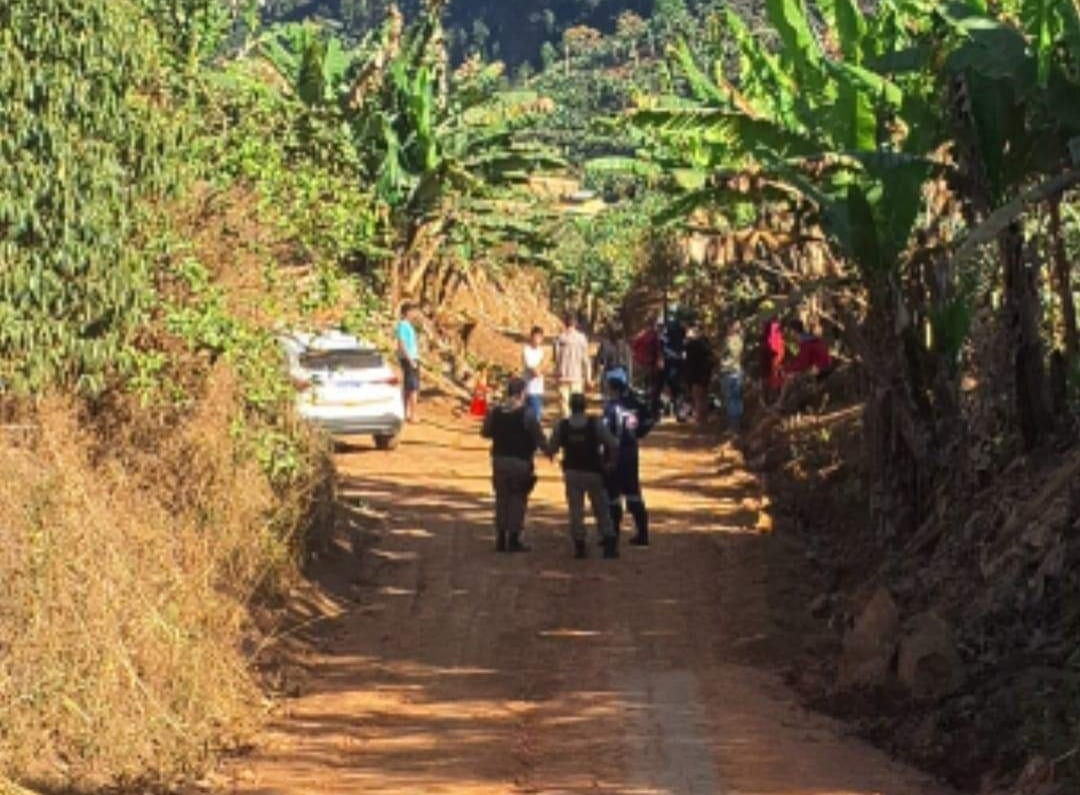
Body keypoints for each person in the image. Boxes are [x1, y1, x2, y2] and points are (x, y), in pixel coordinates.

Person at [481, 376, 551, 553]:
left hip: (499, 460)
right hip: (521, 461)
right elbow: (539, 437)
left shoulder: (495, 411)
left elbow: (485, 432)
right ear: (522, 393)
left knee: (501, 498)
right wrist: (549, 451)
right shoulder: (527, 414)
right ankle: (513, 538)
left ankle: (500, 537)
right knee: (517, 499)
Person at [549, 392, 620, 559]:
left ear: (570, 406)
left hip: (572, 473)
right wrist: (611, 463)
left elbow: (552, 448)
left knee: (576, 511)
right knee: (601, 508)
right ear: (585, 406)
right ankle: (609, 542)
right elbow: (613, 443)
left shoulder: (562, 425)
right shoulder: (595, 424)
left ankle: (580, 545)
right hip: (593, 472)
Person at [603, 368, 655, 547]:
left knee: (612, 494)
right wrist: (638, 433)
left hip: (614, 452)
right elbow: (650, 418)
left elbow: (605, 432)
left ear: (611, 386)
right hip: (631, 452)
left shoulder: (610, 407)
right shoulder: (635, 403)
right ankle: (643, 533)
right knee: (633, 492)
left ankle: (612, 534)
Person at [554, 314, 592, 419]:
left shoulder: (559, 338)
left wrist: (556, 374)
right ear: (575, 324)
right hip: (577, 377)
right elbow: (586, 360)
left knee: (564, 405)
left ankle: (566, 425)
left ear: (565, 323)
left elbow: (557, 359)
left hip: (563, 376)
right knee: (576, 404)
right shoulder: (582, 338)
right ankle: (576, 425)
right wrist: (588, 377)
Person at [683, 323, 715, 425]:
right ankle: (704, 419)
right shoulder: (707, 344)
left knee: (697, 397)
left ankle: (699, 420)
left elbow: (688, 361)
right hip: (706, 373)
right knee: (704, 396)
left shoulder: (693, 345)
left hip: (696, 375)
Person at [394, 302, 421, 423]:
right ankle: (413, 414)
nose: (414, 314)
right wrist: (410, 360)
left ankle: (405, 413)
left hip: (412, 358)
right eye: (413, 311)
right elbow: (402, 344)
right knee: (413, 388)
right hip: (409, 359)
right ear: (407, 312)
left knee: (408, 387)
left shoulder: (408, 325)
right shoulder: (403, 325)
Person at [659, 312, 687, 418]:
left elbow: (662, 343)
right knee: (673, 385)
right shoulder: (676, 329)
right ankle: (673, 409)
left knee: (674, 385)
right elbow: (662, 343)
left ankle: (678, 410)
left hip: (673, 361)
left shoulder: (677, 329)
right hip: (673, 360)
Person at [718, 319, 744, 432]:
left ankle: (732, 426)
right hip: (737, 371)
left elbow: (723, 354)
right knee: (737, 399)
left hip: (728, 371)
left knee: (730, 399)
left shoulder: (728, 341)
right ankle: (736, 425)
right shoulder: (740, 340)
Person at [630, 320, 661, 401]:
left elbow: (633, 347)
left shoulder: (641, 336)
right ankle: (647, 398)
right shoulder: (654, 336)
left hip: (642, 362)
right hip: (648, 363)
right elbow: (657, 350)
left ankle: (642, 398)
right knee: (649, 382)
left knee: (642, 382)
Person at [522, 326, 547, 419]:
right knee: (534, 416)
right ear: (531, 337)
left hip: (539, 388)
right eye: (536, 337)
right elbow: (532, 368)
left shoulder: (541, 351)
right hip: (529, 388)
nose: (538, 339)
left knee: (536, 414)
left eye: (540, 337)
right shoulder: (526, 350)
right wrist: (539, 368)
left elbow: (545, 365)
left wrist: (540, 368)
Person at [760, 314, 785, 405]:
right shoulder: (775, 328)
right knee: (774, 376)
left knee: (772, 377)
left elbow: (771, 344)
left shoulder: (771, 328)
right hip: (774, 355)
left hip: (772, 355)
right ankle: (773, 397)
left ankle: (773, 398)